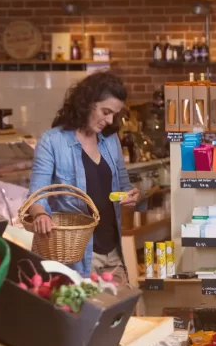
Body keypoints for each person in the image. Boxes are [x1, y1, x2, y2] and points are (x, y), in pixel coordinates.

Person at [29, 72, 141, 278]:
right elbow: (37, 195)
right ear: (87, 103)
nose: (109, 120)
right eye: (106, 112)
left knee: (123, 309)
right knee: (89, 310)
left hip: (114, 252)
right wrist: (41, 214)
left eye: (114, 115)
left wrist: (130, 196)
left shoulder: (110, 140)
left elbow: (123, 185)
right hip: (78, 257)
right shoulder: (52, 141)